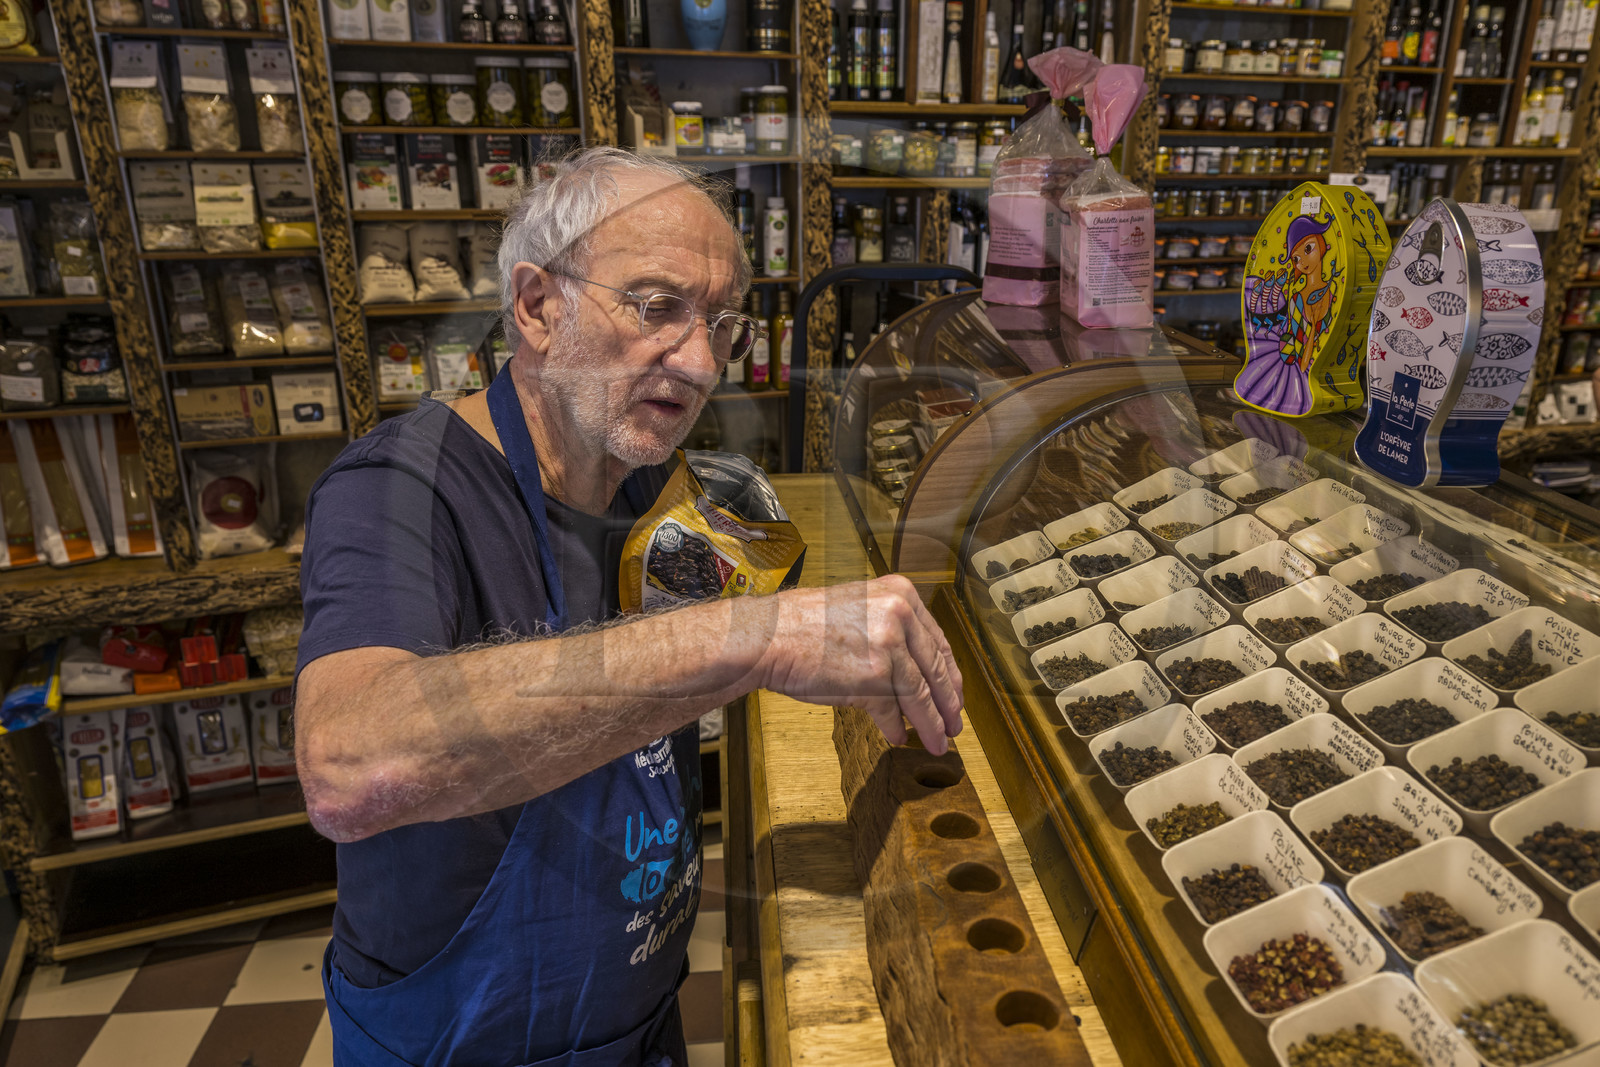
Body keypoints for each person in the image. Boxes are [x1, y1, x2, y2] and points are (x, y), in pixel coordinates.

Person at [293, 146, 965, 1067]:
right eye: (655, 307)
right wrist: (753, 638)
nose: (697, 360)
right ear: (536, 306)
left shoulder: (654, 480)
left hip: (638, 1024)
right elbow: (346, 763)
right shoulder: (400, 488)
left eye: (722, 323)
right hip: (461, 1046)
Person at [1236, 213, 1342, 416]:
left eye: (1308, 249)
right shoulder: (1296, 299)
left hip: (1315, 381)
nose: (1302, 262)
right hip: (1294, 370)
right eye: (1296, 258)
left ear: (1322, 246)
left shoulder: (1329, 293)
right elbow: (1300, 349)